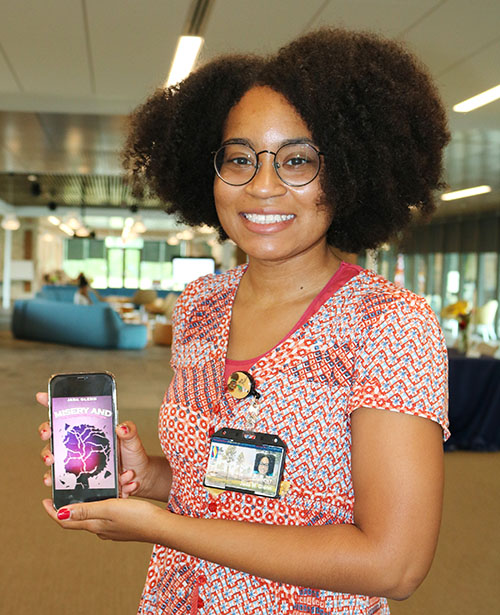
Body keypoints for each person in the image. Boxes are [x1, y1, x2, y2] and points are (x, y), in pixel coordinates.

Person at [38, 27, 450, 614]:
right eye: (239, 158)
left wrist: (160, 525)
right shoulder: (201, 305)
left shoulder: (388, 324)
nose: (261, 186)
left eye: (298, 160)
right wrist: (147, 477)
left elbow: (394, 563)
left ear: (352, 172)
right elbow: (227, 484)